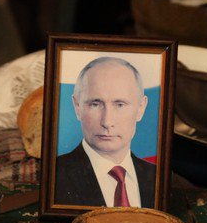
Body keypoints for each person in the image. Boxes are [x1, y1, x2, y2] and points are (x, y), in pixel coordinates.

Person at [54, 56, 157, 208]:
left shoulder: (158, 177)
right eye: (95, 104)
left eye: (120, 105)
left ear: (141, 108)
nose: (107, 122)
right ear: (77, 107)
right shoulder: (54, 175)